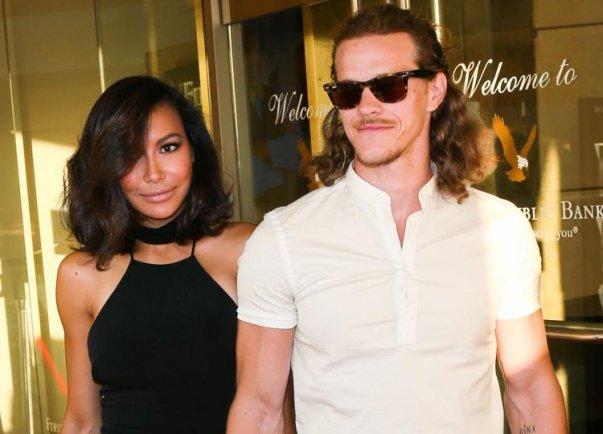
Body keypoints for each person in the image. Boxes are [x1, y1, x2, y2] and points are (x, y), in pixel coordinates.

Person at [227, 5, 567, 434]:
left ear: (435, 90)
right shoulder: (282, 239)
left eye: (389, 87)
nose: (367, 107)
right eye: (349, 92)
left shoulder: (498, 229)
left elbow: (529, 386)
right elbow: (260, 409)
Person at [57, 76, 254, 433]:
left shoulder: (245, 251)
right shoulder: (80, 275)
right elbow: (82, 420)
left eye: (168, 147)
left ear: (193, 150)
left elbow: (276, 402)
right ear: (108, 168)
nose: (154, 174)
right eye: (132, 156)